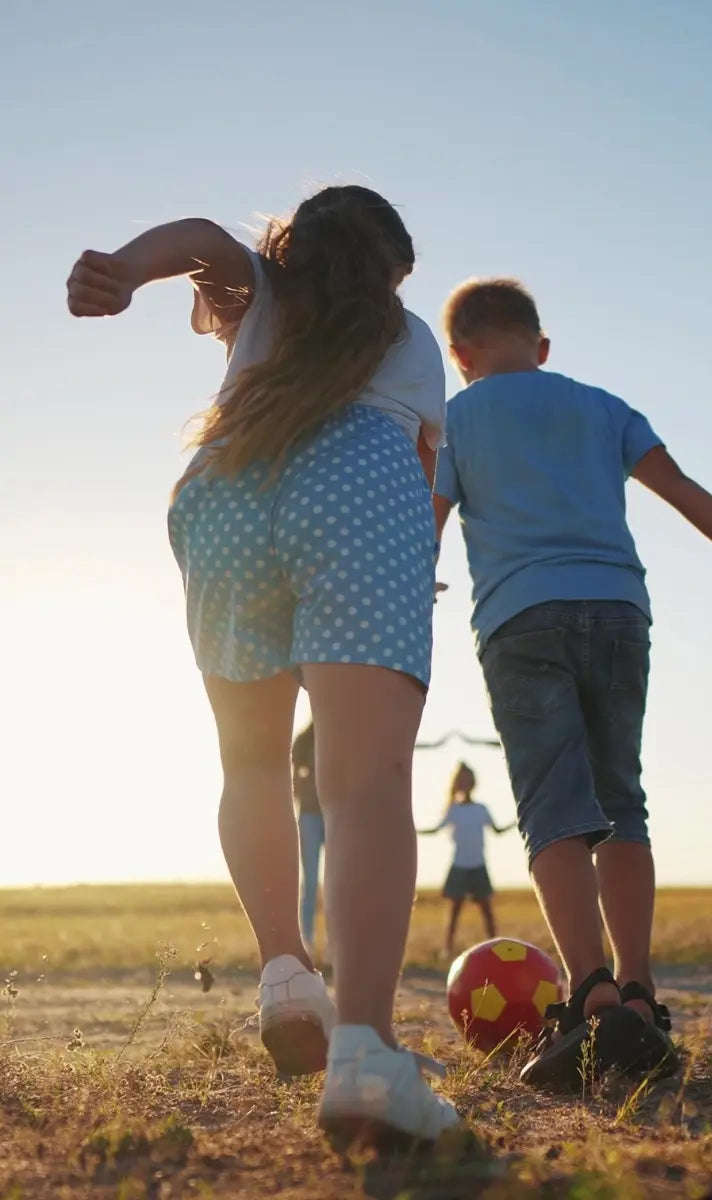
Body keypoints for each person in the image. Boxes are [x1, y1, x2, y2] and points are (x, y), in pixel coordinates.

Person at [65, 185, 459, 1146]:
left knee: (249, 762)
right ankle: (365, 1054)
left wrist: (124, 267)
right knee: (362, 780)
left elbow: (200, 236)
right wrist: (409, 563)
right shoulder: (409, 341)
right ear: (392, 271)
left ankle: (285, 972)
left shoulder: (264, 297)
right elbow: (420, 478)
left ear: (292, 244)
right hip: (360, 486)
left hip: (226, 485)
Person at [432, 278, 712, 1088]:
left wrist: (409, 579)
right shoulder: (603, 404)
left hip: (521, 619)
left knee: (552, 808)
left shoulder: (459, 415)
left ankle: (591, 995)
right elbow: (678, 487)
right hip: (618, 611)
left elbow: (426, 518)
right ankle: (641, 994)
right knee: (621, 799)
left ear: (460, 355)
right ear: (543, 347)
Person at [419, 762, 513, 957]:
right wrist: (412, 829)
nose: (466, 783)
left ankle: (495, 949)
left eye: (469, 779)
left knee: (487, 911)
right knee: (454, 911)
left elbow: (497, 830)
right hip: (459, 865)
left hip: (479, 865)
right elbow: (436, 829)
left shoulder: (481, 809)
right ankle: (448, 949)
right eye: (462, 779)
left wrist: (517, 821)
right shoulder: (453, 810)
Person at [291, 722, 325, 955]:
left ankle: (337, 945)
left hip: (336, 815)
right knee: (310, 883)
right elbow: (294, 779)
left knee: (337, 882)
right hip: (310, 816)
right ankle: (307, 943)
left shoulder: (340, 734)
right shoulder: (303, 740)